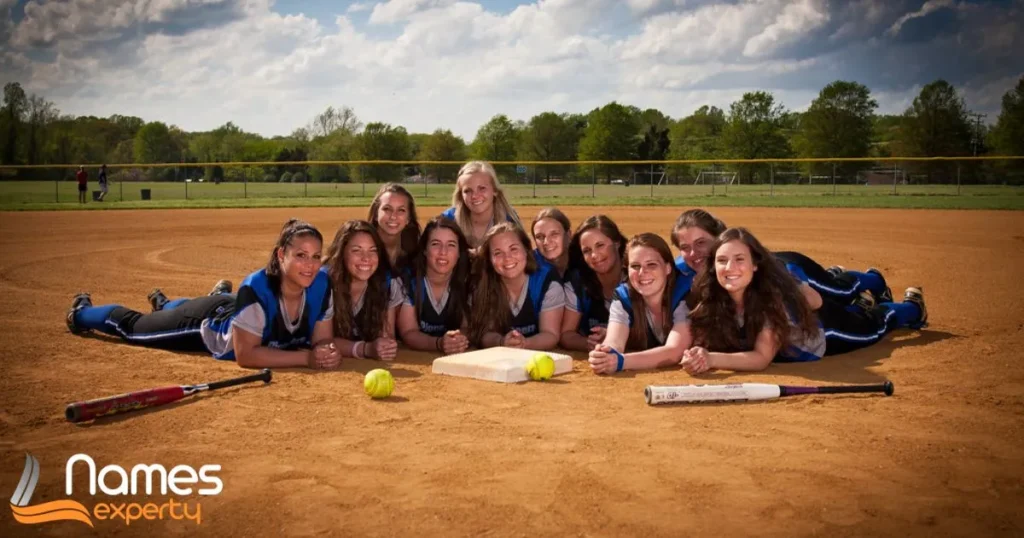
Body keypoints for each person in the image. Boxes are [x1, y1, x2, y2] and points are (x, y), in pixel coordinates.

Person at [64, 219, 341, 369]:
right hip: (206, 324)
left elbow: (321, 340)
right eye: (301, 255)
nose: (311, 265)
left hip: (237, 309)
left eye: (316, 256)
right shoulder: (257, 286)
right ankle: (81, 312)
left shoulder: (321, 284)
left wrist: (323, 351)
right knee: (134, 328)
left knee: (190, 307)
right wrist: (307, 358)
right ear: (281, 255)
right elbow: (246, 356)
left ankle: (166, 304)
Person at [670, 208, 890, 309]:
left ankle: (873, 279)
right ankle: (833, 275)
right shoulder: (682, 267)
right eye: (685, 247)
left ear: (719, 240)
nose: (693, 254)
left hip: (789, 268)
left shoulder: (766, 269)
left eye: (701, 243)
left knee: (840, 292)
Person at [587, 233, 693, 374]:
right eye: (635, 266)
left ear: (668, 268)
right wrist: (604, 355)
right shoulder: (623, 297)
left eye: (651, 264)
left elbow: (674, 351)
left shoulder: (685, 295)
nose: (642, 272)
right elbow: (614, 342)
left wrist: (620, 361)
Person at [469, 222, 564, 351]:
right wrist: (501, 341)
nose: (507, 258)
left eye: (513, 249)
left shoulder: (546, 281)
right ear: (490, 260)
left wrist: (524, 343)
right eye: (498, 253)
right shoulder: (485, 283)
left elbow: (551, 334)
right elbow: (484, 334)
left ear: (526, 250)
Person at [323, 220, 405, 361]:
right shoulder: (323, 284)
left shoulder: (387, 284)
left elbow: (386, 336)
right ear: (342, 253)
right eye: (356, 250)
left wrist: (384, 347)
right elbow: (322, 340)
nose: (366, 258)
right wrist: (365, 349)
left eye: (372, 251)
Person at [396, 217, 472, 354]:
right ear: (425, 250)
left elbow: (467, 327)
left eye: (451, 245)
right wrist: (439, 344)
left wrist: (458, 339)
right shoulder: (410, 280)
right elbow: (408, 332)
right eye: (436, 244)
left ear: (459, 253)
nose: (443, 252)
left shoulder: (466, 281)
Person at [559, 215, 626, 351]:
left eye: (600, 245)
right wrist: (588, 343)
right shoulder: (578, 282)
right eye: (587, 251)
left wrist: (613, 337)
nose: (594, 255)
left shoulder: (638, 276)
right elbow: (566, 334)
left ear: (617, 242)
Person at [441, 161, 522, 249]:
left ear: (494, 190)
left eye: (482, 188)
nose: (475, 196)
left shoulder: (509, 219)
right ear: (461, 195)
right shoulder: (449, 220)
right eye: (468, 191)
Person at [367, 183, 421, 277]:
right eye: (387, 209)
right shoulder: (364, 256)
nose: (393, 216)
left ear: (408, 218)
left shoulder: (414, 258)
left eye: (401, 210)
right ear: (376, 214)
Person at [530, 207, 572, 280]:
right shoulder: (528, 267)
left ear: (568, 235)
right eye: (539, 237)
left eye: (554, 234)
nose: (546, 242)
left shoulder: (585, 262)